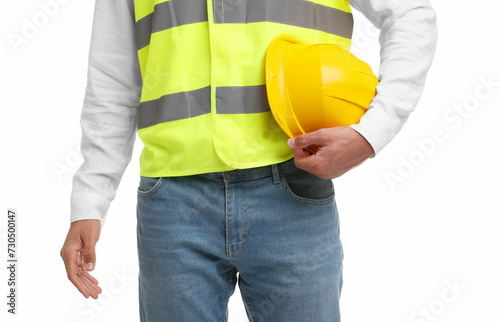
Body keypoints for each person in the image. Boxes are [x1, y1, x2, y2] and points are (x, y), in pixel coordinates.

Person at [60, 0, 437, 321]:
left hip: (293, 192)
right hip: (172, 202)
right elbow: (113, 78)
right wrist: (89, 200)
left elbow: (409, 12)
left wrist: (371, 133)